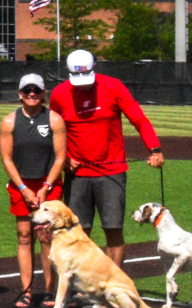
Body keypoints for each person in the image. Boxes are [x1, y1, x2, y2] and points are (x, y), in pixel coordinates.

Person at [48, 49, 164, 270]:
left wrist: (154, 148)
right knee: (78, 232)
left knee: (113, 229)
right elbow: (53, 131)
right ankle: (83, 288)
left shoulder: (113, 87)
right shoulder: (59, 94)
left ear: (95, 67)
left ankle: (114, 286)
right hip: (77, 174)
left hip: (111, 173)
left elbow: (139, 119)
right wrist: (63, 159)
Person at [0, 72, 68, 308]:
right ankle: (26, 290)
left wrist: (46, 187)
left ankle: (50, 289)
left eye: (36, 91)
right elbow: (7, 159)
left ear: (43, 93)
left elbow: (60, 157)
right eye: (27, 90)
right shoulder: (10, 121)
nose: (31, 94)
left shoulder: (54, 120)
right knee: (24, 236)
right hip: (21, 185)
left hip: (48, 184)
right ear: (20, 94)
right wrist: (23, 188)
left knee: (46, 237)